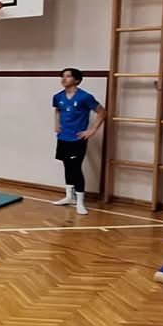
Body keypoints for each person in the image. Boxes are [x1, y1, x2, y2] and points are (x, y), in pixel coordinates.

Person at [51, 68, 106, 216]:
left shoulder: (85, 97)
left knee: (75, 168)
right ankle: (70, 197)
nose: (63, 79)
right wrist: (56, 124)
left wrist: (92, 130)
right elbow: (57, 110)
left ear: (76, 80)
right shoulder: (58, 96)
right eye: (62, 76)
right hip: (63, 138)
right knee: (67, 166)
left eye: (68, 76)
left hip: (77, 139)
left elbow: (102, 112)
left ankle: (80, 202)